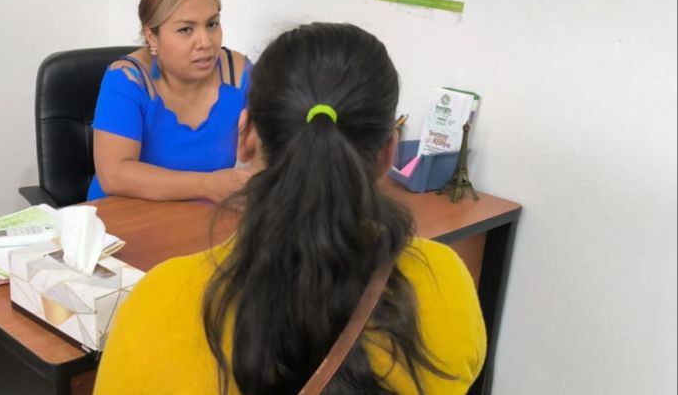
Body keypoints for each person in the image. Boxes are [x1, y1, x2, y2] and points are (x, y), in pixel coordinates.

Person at [93, 23, 486, 394]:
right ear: (388, 152)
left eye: (212, 23)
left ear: (246, 135)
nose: (204, 40)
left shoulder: (158, 305)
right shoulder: (446, 283)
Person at [86, 0, 253, 202]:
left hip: (201, 216)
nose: (205, 42)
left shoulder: (237, 73)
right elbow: (114, 175)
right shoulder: (127, 79)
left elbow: (273, 149)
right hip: (122, 217)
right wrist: (207, 185)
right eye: (185, 29)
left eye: (212, 24)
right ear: (151, 36)